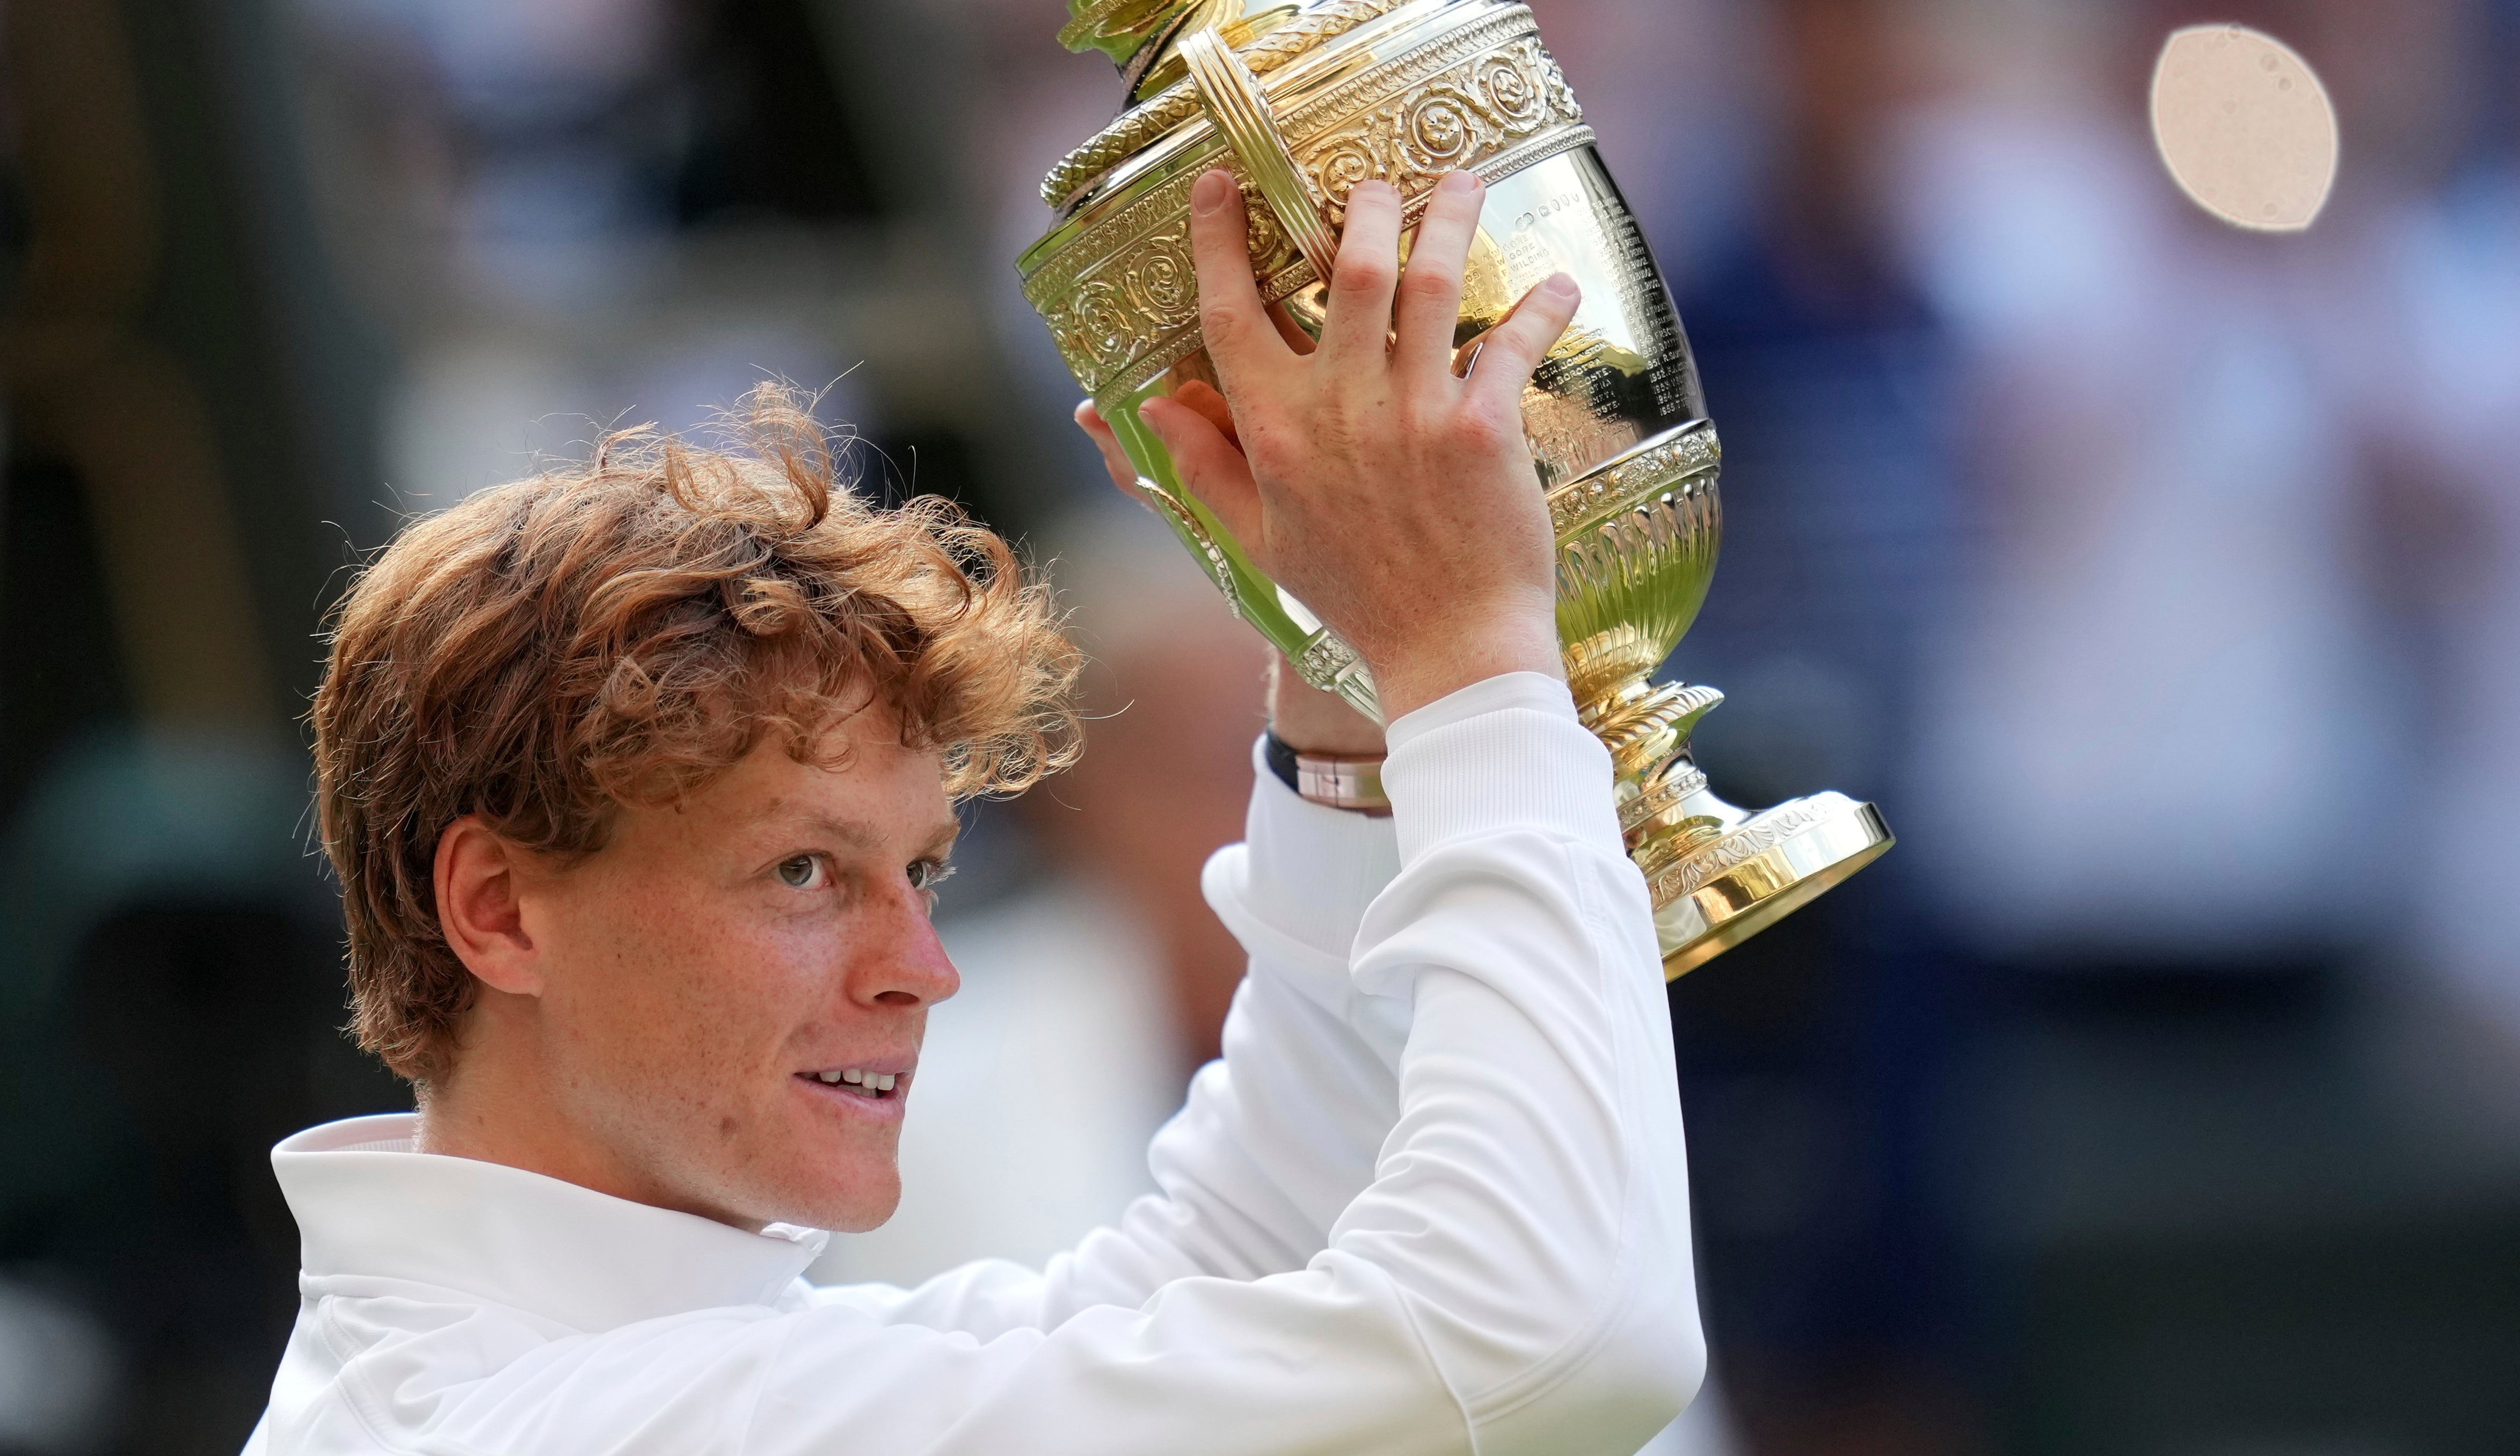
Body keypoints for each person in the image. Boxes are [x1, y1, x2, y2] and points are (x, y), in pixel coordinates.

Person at [250, 169, 1703, 1453]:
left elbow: (1249, 1272)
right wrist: (1471, 654)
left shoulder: (560, 1364)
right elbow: (1556, 1347)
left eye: (922, 868)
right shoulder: (598, 1416)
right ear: (498, 909)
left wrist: (1342, 666)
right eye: (805, 870)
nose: (919, 968)